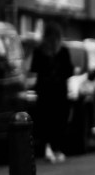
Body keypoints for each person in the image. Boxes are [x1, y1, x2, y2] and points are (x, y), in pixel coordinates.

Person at [31, 22, 73, 163]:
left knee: (50, 121)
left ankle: (51, 148)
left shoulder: (42, 50)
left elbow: (34, 69)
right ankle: (53, 149)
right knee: (54, 122)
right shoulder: (60, 51)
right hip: (54, 93)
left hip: (49, 92)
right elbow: (69, 70)